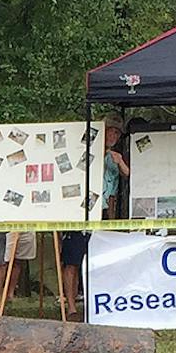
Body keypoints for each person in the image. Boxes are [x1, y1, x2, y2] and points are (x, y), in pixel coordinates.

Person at [56, 117, 127, 319]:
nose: (112, 136)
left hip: (103, 212)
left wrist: (120, 161)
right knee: (72, 260)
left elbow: (129, 176)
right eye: (110, 131)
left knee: (100, 260)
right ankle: (70, 305)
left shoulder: (115, 157)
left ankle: (97, 302)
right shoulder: (82, 151)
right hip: (79, 212)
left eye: (116, 133)